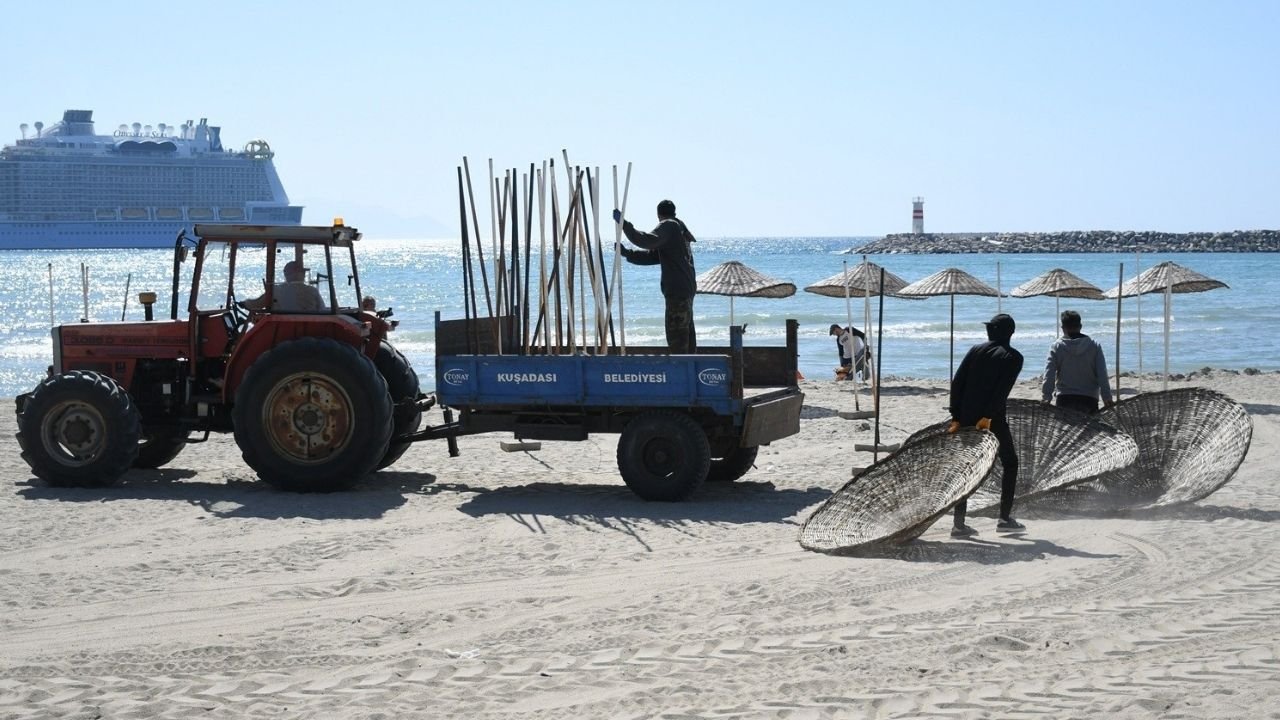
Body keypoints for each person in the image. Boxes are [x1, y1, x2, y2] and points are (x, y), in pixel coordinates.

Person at [948, 313, 1025, 537]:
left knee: (966, 468)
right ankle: (1004, 518)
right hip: (992, 419)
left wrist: (956, 415)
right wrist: (989, 416)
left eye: (990, 328)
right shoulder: (1013, 357)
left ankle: (959, 524)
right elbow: (1001, 391)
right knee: (1010, 463)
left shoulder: (975, 350)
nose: (988, 331)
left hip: (966, 417)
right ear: (1010, 333)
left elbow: (957, 382)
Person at [613, 200, 697, 353]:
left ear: (659, 215)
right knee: (686, 338)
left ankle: (681, 374)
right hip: (686, 289)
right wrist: (627, 254)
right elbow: (653, 257)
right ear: (674, 212)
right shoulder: (679, 229)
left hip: (678, 291)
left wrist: (624, 224)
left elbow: (646, 240)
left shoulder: (669, 225)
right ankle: (690, 373)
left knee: (677, 338)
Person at [1042, 309, 1114, 414]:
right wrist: (1107, 397)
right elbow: (1102, 374)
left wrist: (1046, 396)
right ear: (1080, 326)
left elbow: (1049, 374)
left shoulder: (1057, 347)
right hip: (1089, 399)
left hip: (1064, 398)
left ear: (1063, 328)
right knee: (1089, 430)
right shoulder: (1094, 346)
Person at [242, 259, 324, 312]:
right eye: (302, 272)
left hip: (282, 330)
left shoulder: (277, 290)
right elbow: (322, 310)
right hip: (310, 330)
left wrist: (245, 303)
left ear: (287, 274)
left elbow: (257, 305)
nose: (304, 274)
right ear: (300, 274)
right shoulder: (313, 291)